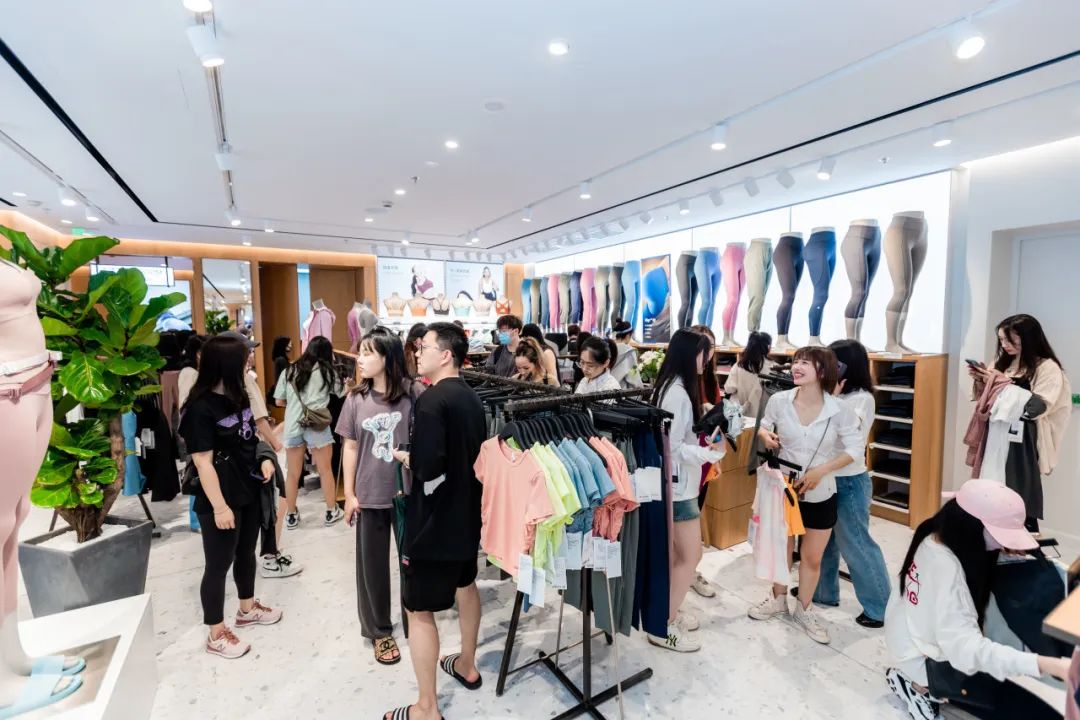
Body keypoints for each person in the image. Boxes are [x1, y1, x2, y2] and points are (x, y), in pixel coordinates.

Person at [884, 479, 1070, 720]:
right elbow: (968, 649)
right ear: (971, 526)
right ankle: (919, 687)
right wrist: (1046, 664)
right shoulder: (949, 572)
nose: (1003, 544)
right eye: (1001, 537)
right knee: (1027, 707)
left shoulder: (933, 533)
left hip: (906, 632)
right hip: (921, 658)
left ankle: (924, 681)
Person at [385, 322, 486, 720]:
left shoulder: (430, 401)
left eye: (423, 346)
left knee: (418, 610)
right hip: (467, 516)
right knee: (466, 584)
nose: (417, 351)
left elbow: (428, 467)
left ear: (445, 355)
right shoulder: (471, 397)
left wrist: (405, 457)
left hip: (433, 523)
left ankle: (427, 707)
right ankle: (467, 664)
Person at [179, 335, 284, 660]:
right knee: (218, 564)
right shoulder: (199, 408)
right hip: (219, 497)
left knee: (246, 553)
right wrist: (220, 507)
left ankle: (247, 608)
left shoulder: (239, 396)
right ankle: (216, 633)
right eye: (243, 358)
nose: (248, 362)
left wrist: (264, 459)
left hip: (247, 488)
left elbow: (249, 438)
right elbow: (202, 463)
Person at [751, 346, 863, 645]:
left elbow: (855, 449)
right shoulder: (779, 400)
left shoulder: (839, 409)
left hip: (821, 490)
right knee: (782, 549)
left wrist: (821, 470)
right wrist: (765, 435)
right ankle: (777, 600)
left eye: (805, 363)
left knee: (812, 557)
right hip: (784, 487)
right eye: (795, 362)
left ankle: (804, 609)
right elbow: (764, 426)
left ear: (823, 371)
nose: (796, 367)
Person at [337, 328, 424, 666]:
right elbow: (350, 446)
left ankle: (416, 619)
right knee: (371, 568)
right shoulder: (355, 399)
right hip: (369, 494)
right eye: (360, 352)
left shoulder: (412, 394)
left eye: (367, 353)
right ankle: (379, 630)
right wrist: (349, 494)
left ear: (388, 357)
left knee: (412, 564)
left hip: (407, 493)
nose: (359, 359)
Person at [648, 329, 725, 653]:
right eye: (704, 353)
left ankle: (668, 613)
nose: (707, 359)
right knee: (691, 555)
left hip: (676, 485)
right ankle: (663, 625)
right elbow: (674, 448)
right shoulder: (678, 393)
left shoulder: (670, 386)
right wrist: (709, 453)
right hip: (679, 488)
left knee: (678, 556)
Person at [806, 339, 890, 627]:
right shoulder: (835, 395)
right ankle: (823, 592)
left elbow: (847, 435)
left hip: (848, 481)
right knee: (824, 542)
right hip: (825, 479)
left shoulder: (861, 398)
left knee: (856, 544)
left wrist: (828, 399)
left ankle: (880, 607)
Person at [968, 314, 1071, 532]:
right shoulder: (1001, 362)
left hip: (1022, 439)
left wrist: (999, 384)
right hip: (994, 432)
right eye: (1001, 340)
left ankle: (1022, 541)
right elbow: (987, 400)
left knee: (1018, 489)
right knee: (990, 488)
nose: (1005, 345)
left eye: (1010, 340)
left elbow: (1037, 407)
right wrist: (982, 381)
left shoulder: (1047, 368)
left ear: (1028, 338)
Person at [274, 335, 346, 529]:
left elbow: (279, 401)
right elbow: (341, 393)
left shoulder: (289, 370)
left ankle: (291, 515)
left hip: (293, 424)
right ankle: (331, 511)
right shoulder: (327, 371)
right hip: (317, 424)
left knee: (292, 474)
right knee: (325, 470)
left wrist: (295, 404)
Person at [724, 331, 773, 417]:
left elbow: (729, 389)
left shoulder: (739, 365)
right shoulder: (773, 368)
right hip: (762, 416)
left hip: (740, 415)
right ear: (768, 348)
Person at [610, 319, 642, 388]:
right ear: (628, 336)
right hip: (620, 390)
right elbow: (634, 377)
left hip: (604, 389)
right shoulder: (629, 352)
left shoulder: (608, 347)